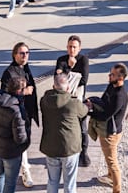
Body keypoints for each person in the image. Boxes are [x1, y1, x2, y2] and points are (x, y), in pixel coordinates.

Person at [40, 71, 89, 193]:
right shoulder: (73, 103)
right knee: (69, 183)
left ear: (53, 86)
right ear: (68, 88)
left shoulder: (44, 101)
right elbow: (84, 111)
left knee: (52, 181)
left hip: (51, 146)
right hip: (69, 148)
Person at [1, 42, 39, 188]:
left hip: (26, 112)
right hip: (16, 114)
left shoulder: (26, 68)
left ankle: (22, 164)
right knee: (21, 142)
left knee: (24, 141)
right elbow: (5, 96)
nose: (25, 56)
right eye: (22, 53)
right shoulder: (9, 73)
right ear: (14, 55)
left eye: (27, 53)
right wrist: (24, 92)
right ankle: (24, 170)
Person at [86, 63, 128, 193]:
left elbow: (105, 115)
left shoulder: (120, 95)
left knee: (112, 162)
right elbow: (104, 102)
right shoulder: (112, 86)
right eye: (110, 73)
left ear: (120, 78)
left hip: (110, 133)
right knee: (108, 157)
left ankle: (117, 189)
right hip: (107, 130)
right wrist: (92, 103)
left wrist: (89, 112)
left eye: (112, 75)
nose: (109, 76)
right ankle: (110, 177)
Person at [0, 75, 30, 193]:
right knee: (10, 182)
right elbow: (20, 139)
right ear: (19, 91)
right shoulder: (17, 111)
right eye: (24, 88)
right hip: (11, 151)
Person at [55, 35, 91, 167]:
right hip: (63, 100)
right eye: (70, 47)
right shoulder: (61, 60)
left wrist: (66, 74)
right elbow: (57, 79)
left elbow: (84, 80)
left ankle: (84, 153)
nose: (72, 49)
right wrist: (70, 69)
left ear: (79, 48)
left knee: (82, 128)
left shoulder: (83, 60)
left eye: (74, 47)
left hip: (78, 100)